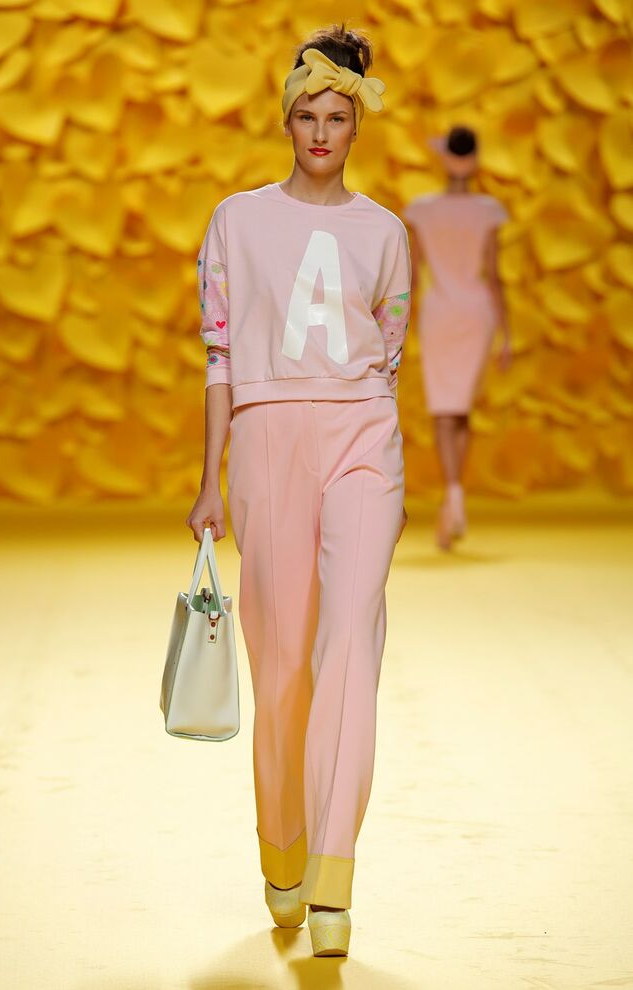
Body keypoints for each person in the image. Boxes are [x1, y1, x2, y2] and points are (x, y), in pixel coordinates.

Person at [185, 23, 411, 958]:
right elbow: (220, 353)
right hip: (267, 439)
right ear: (287, 120)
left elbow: (387, 357)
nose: (322, 133)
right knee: (281, 667)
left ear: (357, 126)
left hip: (362, 436)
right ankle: (282, 854)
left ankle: (332, 880)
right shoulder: (235, 221)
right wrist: (209, 480)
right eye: (308, 116)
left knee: (350, 645)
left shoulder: (386, 232)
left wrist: (378, 448)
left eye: (338, 118)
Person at [402, 126, 511, 550]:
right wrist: (507, 334)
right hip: (476, 313)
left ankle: (453, 495)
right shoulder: (488, 210)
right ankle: (456, 496)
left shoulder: (422, 210)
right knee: (459, 409)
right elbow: (494, 276)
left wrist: (398, 331)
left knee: (445, 410)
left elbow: (413, 278)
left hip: (440, 313)